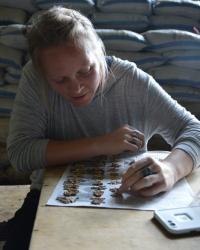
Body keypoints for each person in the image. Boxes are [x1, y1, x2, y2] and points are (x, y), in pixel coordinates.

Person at [1, 6, 200, 250]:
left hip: (128, 197)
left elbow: (194, 129)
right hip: (46, 198)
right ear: (44, 74)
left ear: (100, 53)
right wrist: (100, 144)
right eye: (60, 80)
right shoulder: (34, 79)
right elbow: (20, 153)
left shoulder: (131, 80)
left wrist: (172, 168)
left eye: (86, 71)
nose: (76, 88)